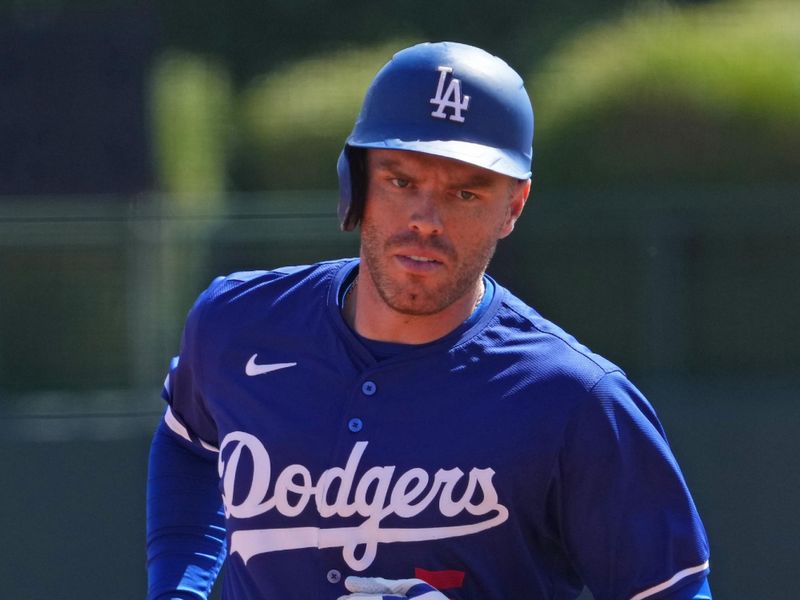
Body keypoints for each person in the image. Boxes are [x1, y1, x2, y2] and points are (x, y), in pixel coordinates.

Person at [146, 41, 712, 600]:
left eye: (465, 192)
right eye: (401, 181)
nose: (425, 220)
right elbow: (190, 444)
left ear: (513, 206)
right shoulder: (237, 324)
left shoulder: (577, 401)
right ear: (357, 181)